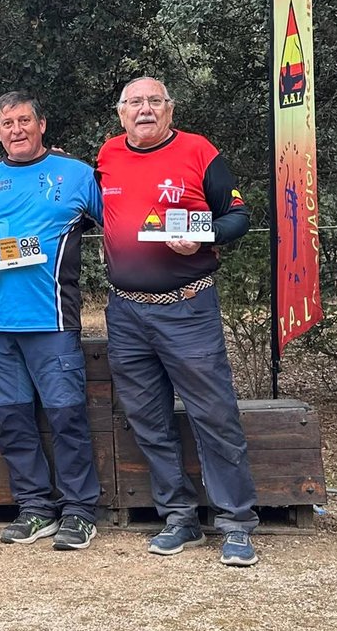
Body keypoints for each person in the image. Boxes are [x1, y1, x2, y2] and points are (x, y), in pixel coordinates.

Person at [96, 75, 260, 567]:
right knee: (147, 418)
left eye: (154, 101)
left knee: (214, 414)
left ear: (169, 109)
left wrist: (203, 234)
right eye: (134, 103)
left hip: (187, 307)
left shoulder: (198, 150)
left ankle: (235, 523)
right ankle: (179, 517)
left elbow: (238, 215)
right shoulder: (106, 156)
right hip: (125, 312)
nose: (144, 109)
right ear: (121, 112)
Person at [0, 91, 103, 550]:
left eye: (24, 121)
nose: (16, 130)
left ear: (42, 124)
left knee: (67, 419)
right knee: (13, 421)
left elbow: (117, 229)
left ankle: (80, 511)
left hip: (53, 322)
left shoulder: (78, 175)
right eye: (7, 123)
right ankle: (35, 508)